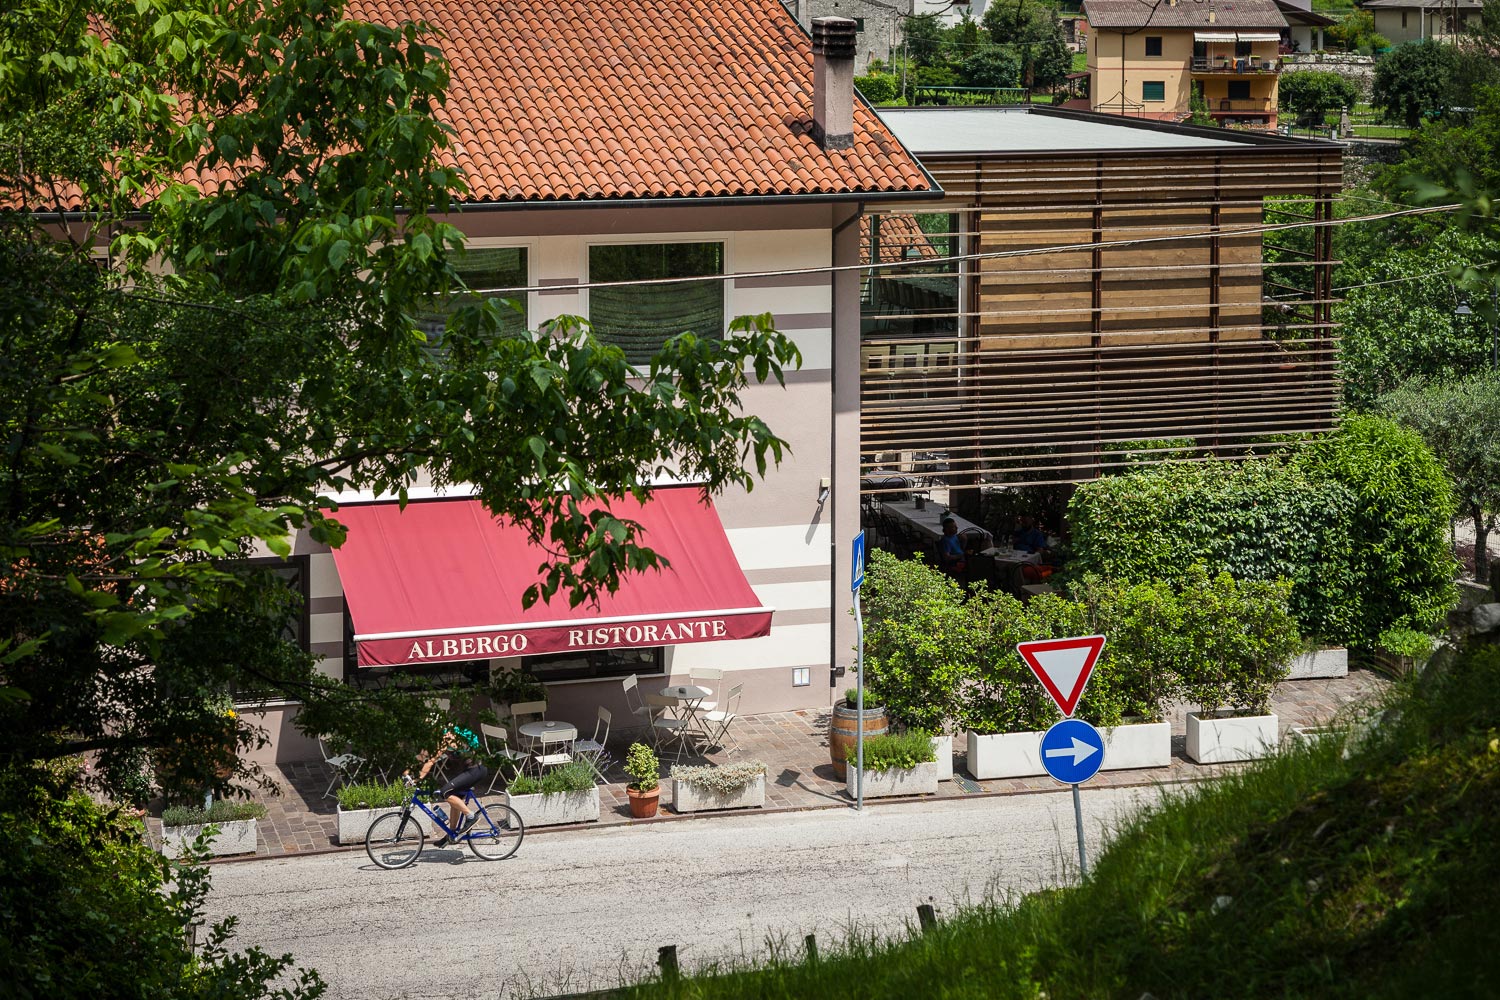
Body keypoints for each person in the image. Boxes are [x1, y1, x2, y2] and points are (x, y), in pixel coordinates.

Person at [409, 723, 488, 847]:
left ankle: (471, 816)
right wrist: (407, 772)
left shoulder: (447, 738)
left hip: (475, 770)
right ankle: (452, 834)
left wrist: (417, 779)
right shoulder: (438, 740)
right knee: (454, 798)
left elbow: (430, 762)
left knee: (445, 792)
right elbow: (421, 757)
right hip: (469, 771)